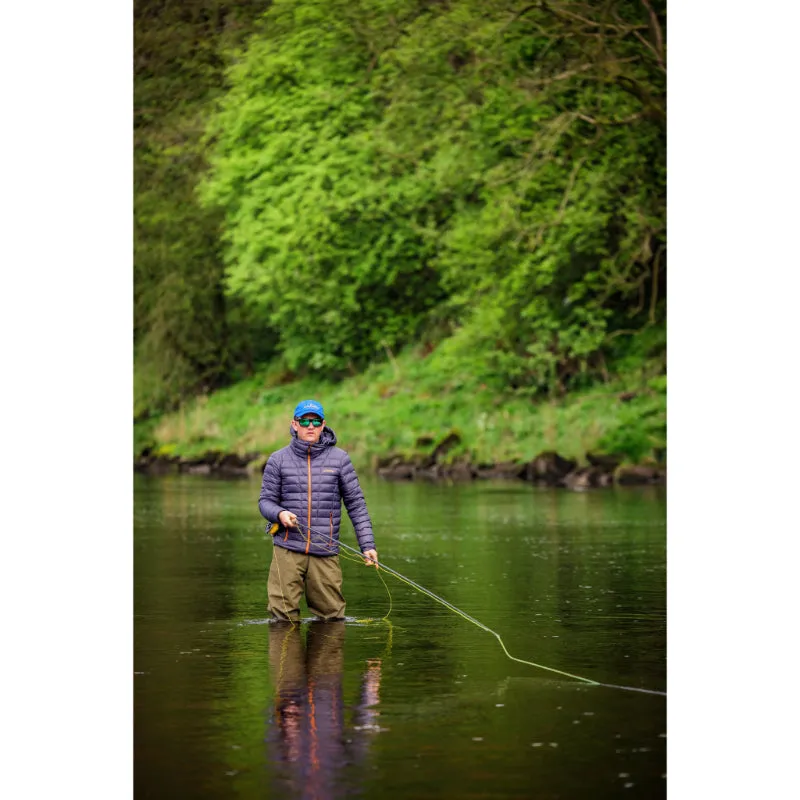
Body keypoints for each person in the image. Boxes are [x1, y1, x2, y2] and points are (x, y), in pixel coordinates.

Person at [259, 399, 379, 622]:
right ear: (294, 424)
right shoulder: (278, 460)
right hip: (287, 547)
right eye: (304, 421)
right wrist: (279, 514)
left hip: (325, 550)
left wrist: (367, 545)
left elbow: (356, 504)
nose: (310, 426)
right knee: (282, 618)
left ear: (323, 425)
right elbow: (265, 502)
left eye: (315, 421)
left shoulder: (340, 459)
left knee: (332, 618)